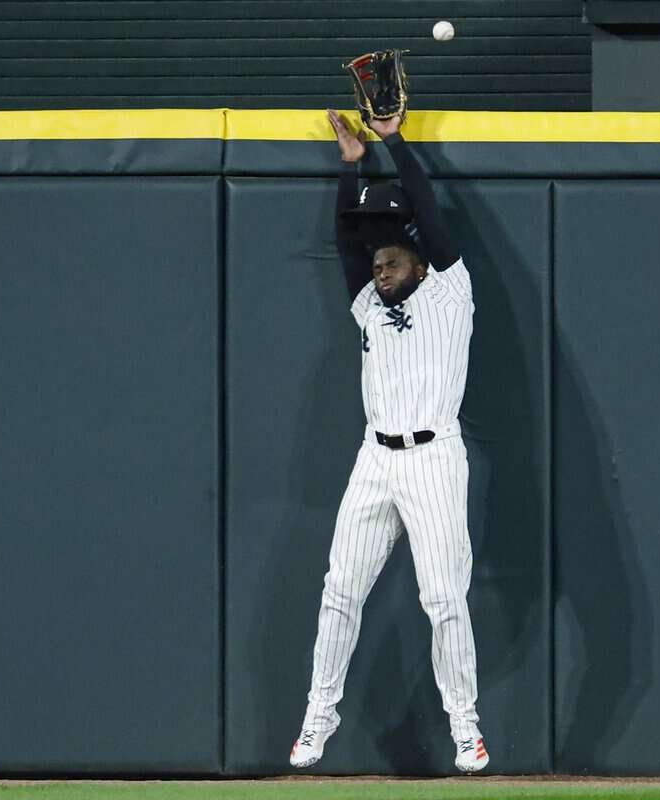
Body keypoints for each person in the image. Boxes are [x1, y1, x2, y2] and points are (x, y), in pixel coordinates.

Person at [289, 109, 488, 774]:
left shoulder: (450, 291)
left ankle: (466, 727)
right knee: (339, 590)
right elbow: (349, 243)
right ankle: (320, 712)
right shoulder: (368, 304)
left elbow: (427, 213)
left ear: (420, 259)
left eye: (391, 258)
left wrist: (394, 141)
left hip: (434, 458)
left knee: (442, 599)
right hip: (375, 458)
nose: (378, 269)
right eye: (375, 262)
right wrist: (350, 168)